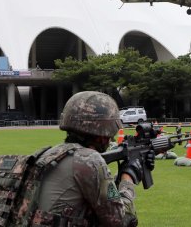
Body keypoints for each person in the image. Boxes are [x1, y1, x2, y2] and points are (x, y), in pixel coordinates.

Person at [32, 91, 149, 226]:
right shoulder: (90, 160)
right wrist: (128, 178)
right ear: (103, 133)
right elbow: (120, 221)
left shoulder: (49, 154)